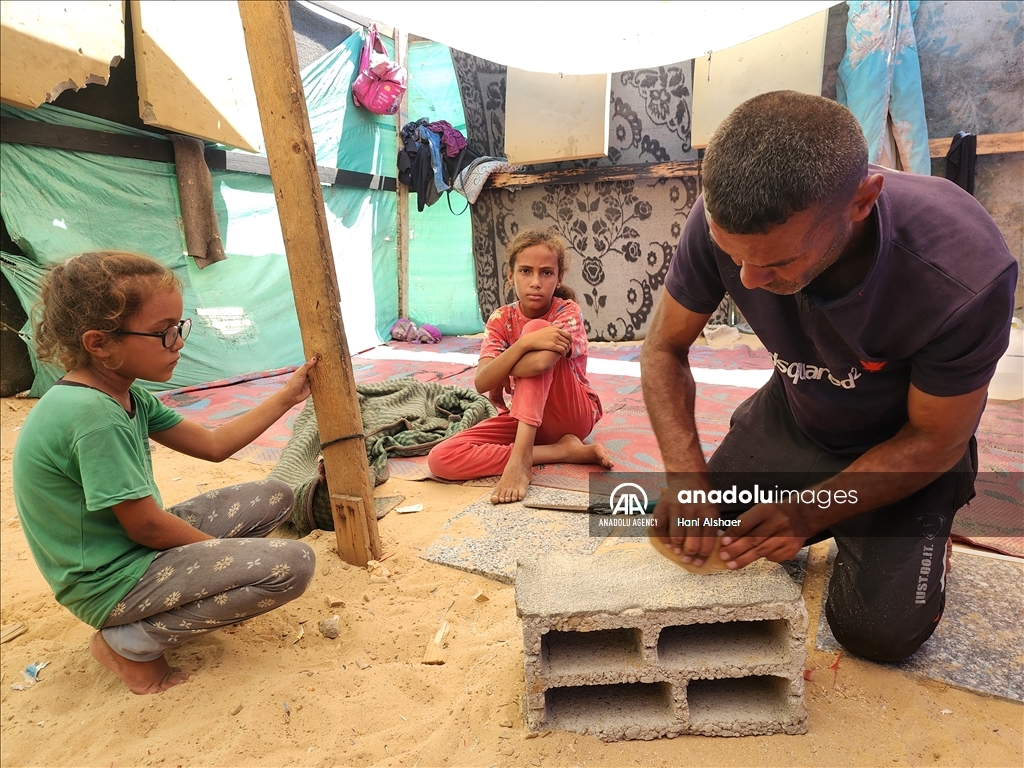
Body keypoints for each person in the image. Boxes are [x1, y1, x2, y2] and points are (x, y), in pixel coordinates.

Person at [642, 91, 1016, 662]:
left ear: (863, 200)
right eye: (732, 255)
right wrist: (685, 476)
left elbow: (934, 439)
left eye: (779, 262)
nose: (749, 278)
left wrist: (809, 510)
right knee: (706, 536)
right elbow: (664, 348)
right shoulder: (728, 220)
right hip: (799, 416)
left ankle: (907, 533)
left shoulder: (962, 271)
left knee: (879, 632)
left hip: (902, 449)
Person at [12, 251, 319, 694]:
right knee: (291, 565)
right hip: (108, 582)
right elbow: (148, 527)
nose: (178, 342)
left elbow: (213, 446)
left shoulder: (122, 392)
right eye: (163, 333)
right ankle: (128, 643)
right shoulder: (91, 415)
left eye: (179, 327)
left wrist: (288, 397)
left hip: (131, 553)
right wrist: (221, 556)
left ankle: (165, 612)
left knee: (276, 495)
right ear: (99, 343)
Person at [428, 228, 613, 503]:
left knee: (536, 327)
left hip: (572, 416)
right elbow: (482, 382)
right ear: (510, 275)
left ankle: (520, 462)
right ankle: (559, 451)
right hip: (527, 419)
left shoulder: (567, 312)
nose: (535, 282)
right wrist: (521, 346)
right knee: (441, 458)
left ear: (559, 277)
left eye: (546, 273)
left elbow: (539, 364)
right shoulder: (501, 318)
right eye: (526, 271)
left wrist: (503, 367)